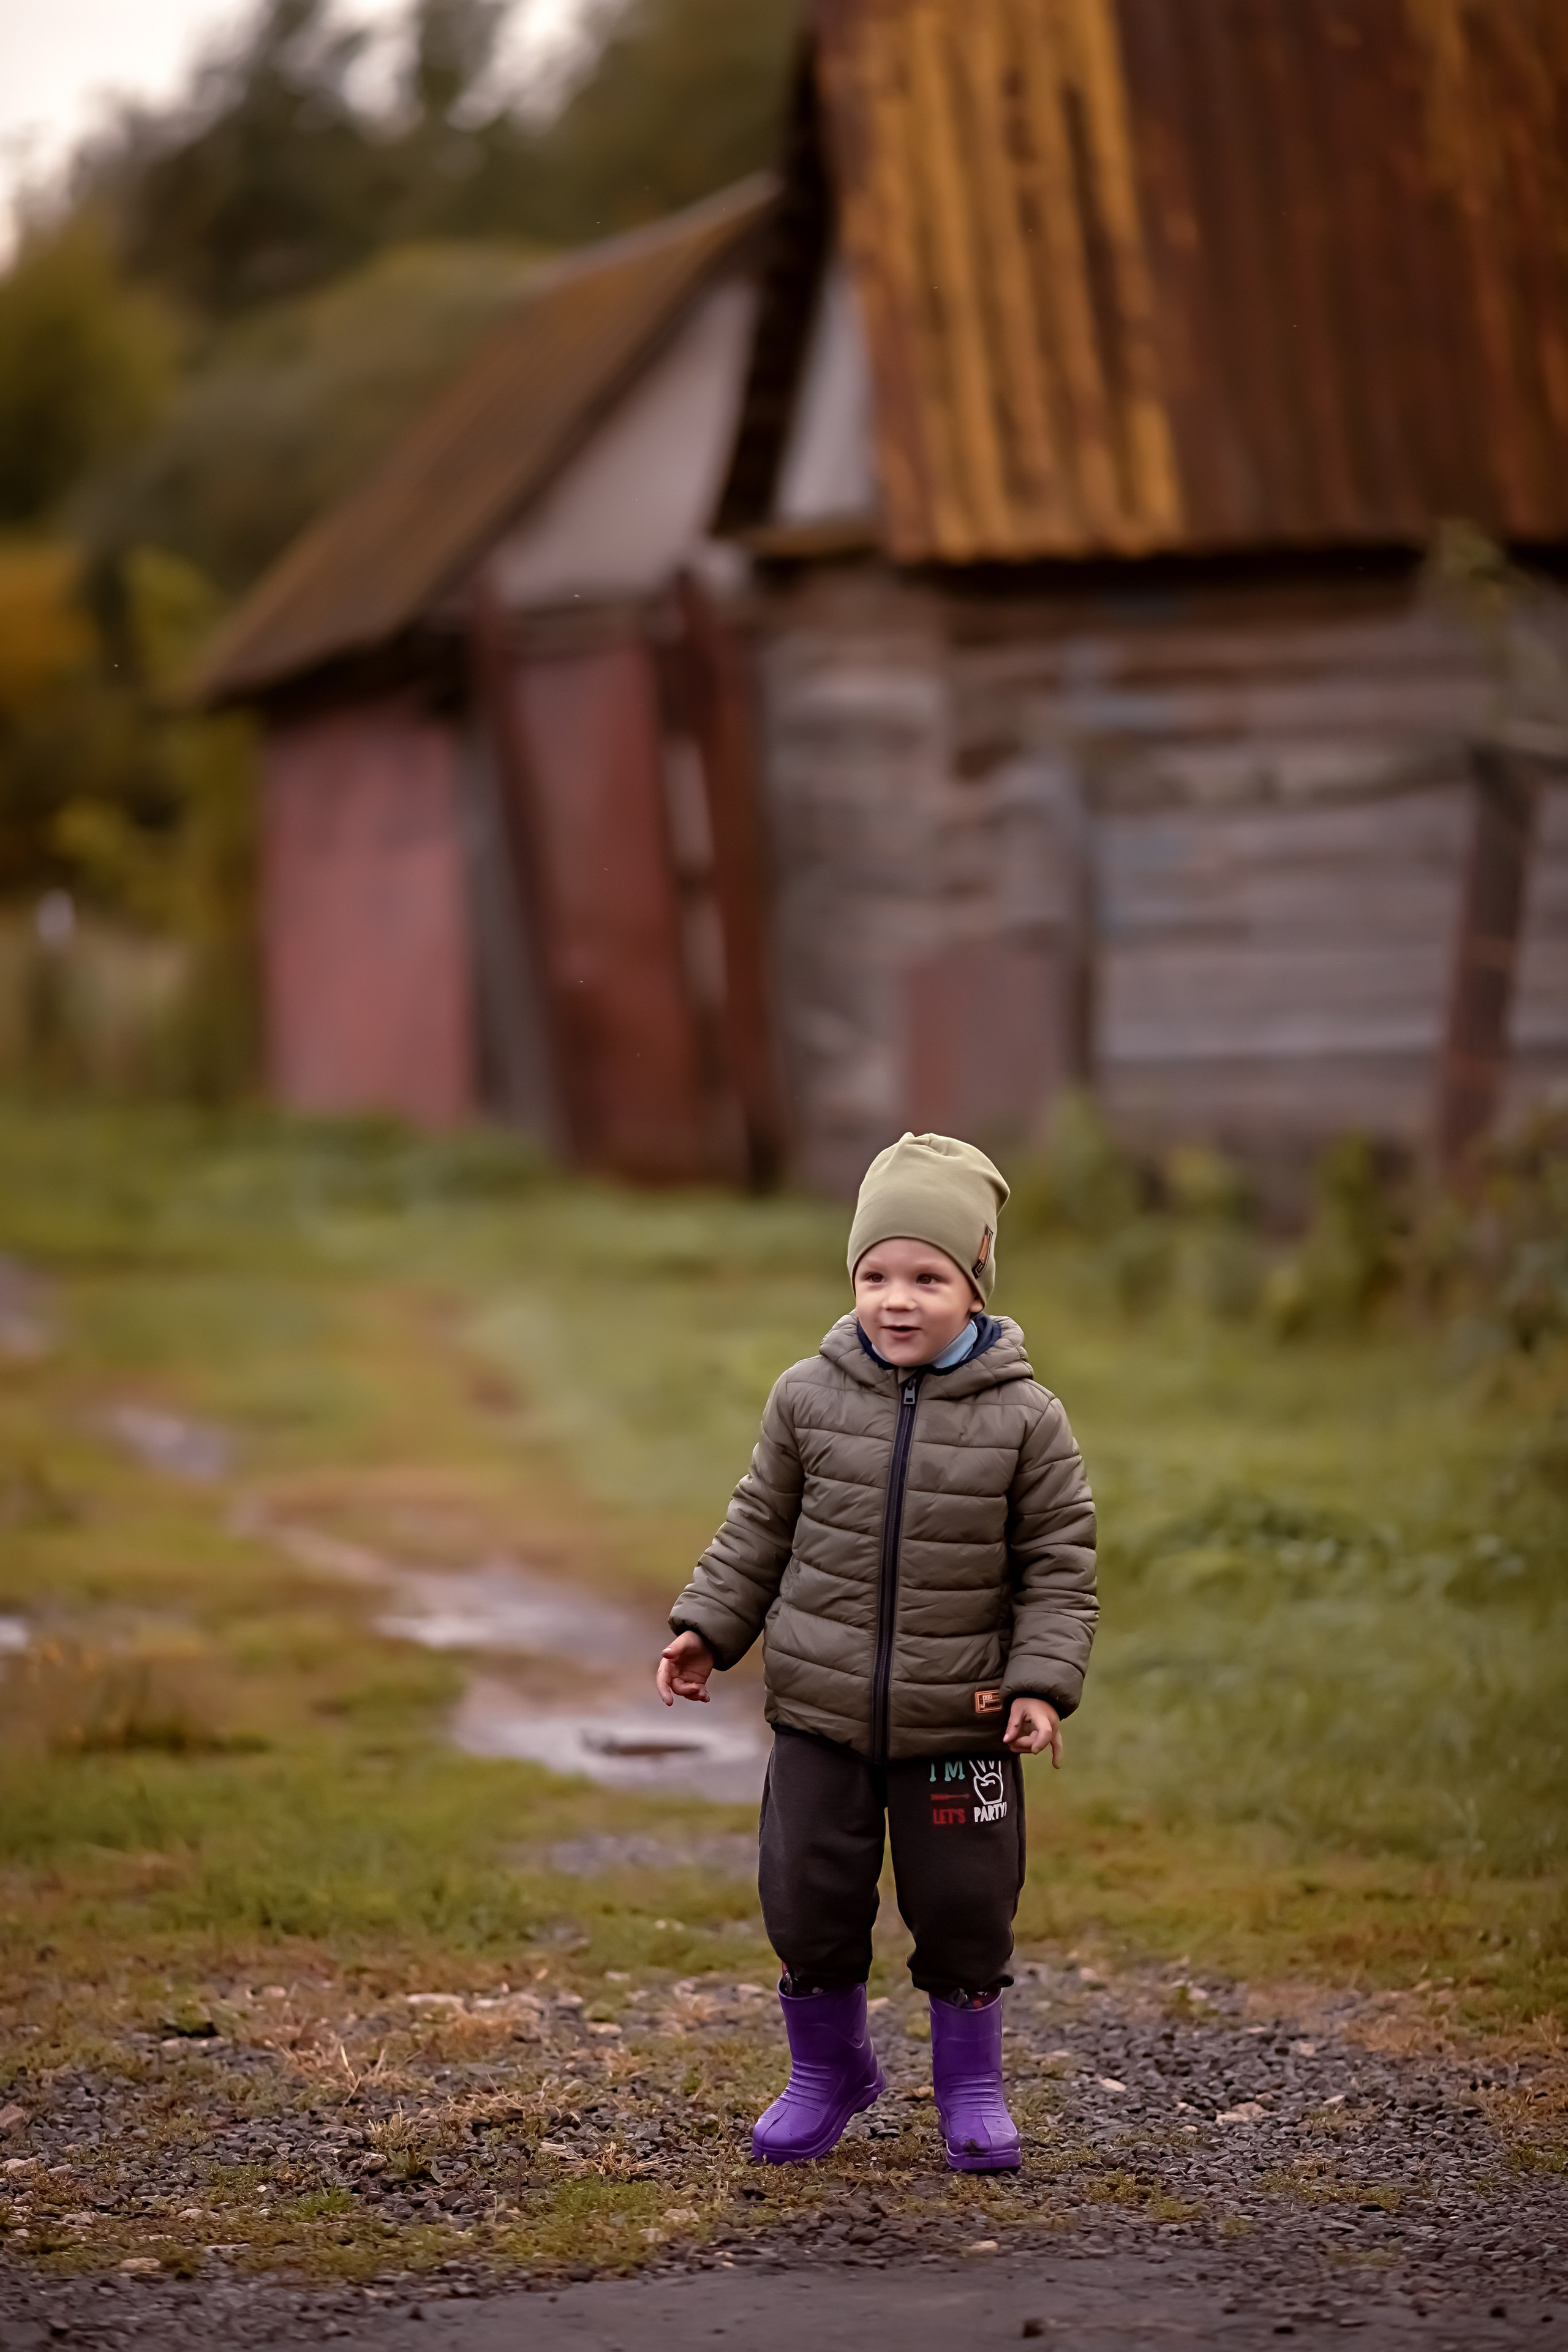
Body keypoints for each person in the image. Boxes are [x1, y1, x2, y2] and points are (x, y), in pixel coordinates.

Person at [656, 1131, 1097, 2172]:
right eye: (875, 1276)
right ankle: (829, 2072)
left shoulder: (1027, 1420)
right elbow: (757, 1528)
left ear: (976, 1282)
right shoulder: (806, 1397)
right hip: (820, 1713)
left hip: (961, 1724)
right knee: (807, 1899)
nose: (897, 1301)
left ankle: (971, 2085)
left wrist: (1040, 1685)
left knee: (965, 1908)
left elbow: (1059, 1563)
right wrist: (708, 1628)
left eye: (927, 1278)